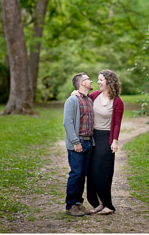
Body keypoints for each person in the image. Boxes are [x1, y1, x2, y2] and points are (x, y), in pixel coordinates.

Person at [74, 70, 124, 215]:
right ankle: (98, 203)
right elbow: (81, 98)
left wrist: (115, 141)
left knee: (103, 172)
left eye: (101, 79)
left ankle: (108, 205)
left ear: (109, 81)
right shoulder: (95, 95)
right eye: (98, 79)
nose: (98, 82)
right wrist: (74, 93)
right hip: (92, 136)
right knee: (91, 171)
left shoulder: (117, 101)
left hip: (106, 138)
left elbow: (117, 124)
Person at [63, 73, 96, 217]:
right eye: (89, 79)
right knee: (76, 174)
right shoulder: (72, 100)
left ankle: (78, 203)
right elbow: (67, 122)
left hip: (88, 142)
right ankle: (70, 205)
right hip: (78, 142)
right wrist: (75, 142)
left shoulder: (89, 100)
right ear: (82, 83)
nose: (92, 81)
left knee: (83, 175)